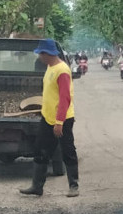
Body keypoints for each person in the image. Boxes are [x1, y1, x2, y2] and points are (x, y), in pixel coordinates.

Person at [20, 38, 79, 197]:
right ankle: (37, 186)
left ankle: (74, 185)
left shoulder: (62, 70)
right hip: (47, 118)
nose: (39, 57)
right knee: (40, 151)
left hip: (63, 120)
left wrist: (59, 122)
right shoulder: (50, 67)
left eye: (41, 54)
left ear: (48, 54)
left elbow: (65, 98)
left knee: (68, 151)